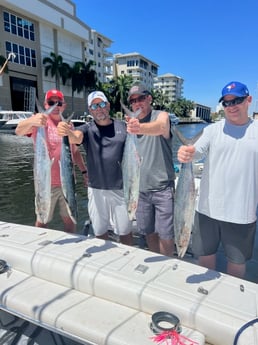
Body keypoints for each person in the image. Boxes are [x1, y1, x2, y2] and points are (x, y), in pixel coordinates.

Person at [177, 81, 258, 278]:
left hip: (242, 213)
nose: (231, 106)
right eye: (227, 103)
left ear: (248, 100)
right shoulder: (212, 130)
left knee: (237, 264)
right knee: (205, 259)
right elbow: (197, 151)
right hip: (207, 210)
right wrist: (187, 153)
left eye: (236, 100)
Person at [57, 91, 133, 245]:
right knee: (99, 231)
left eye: (102, 104)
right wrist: (67, 132)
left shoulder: (123, 127)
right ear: (90, 110)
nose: (99, 108)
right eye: (94, 106)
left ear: (108, 106)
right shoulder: (86, 128)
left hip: (121, 188)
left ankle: (127, 261)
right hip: (96, 189)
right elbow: (76, 137)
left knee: (125, 231)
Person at [15, 89, 87, 233]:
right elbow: (18, 131)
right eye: (51, 102)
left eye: (59, 103)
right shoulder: (39, 122)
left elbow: (75, 152)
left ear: (64, 105)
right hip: (45, 183)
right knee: (42, 219)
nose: (55, 106)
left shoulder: (68, 126)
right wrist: (31, 120)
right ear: (45, 105)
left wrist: (84, 171)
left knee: (70, 219)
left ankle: (70, 246)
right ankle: (39, 243)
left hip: (67, 182)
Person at [126, 84, 175, 256]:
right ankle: (156, 264)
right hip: (140, 191)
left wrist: (138, 127)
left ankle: (167, 265)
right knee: (149, 232)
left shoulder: (161, 116)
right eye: (133, 101)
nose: (137, 103)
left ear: (149, 98)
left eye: (140, 98)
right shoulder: (130, 127)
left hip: (163, 189)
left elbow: (161, 127)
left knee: (166, 235)